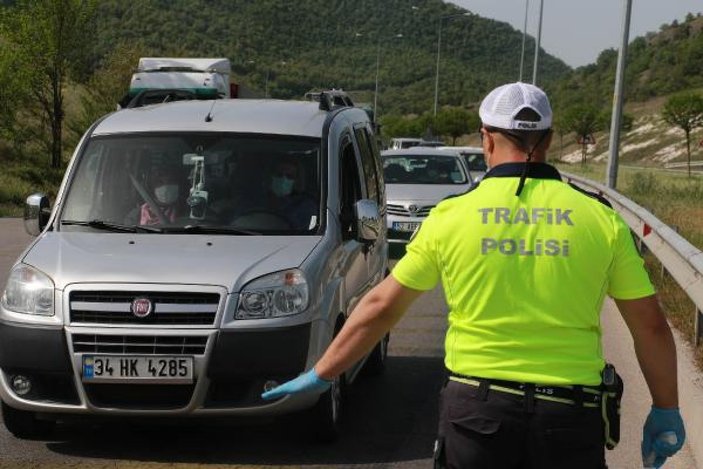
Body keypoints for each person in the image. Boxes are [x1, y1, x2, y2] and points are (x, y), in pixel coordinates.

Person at [260, 82, 685, 468]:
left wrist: (323, 372)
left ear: (485, 137)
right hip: (570, 416)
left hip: (478, 414)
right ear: (550, 140)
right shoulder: (600, 220)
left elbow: (381, 306)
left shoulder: (452, 216)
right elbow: (649, 326)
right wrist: (666, 408)